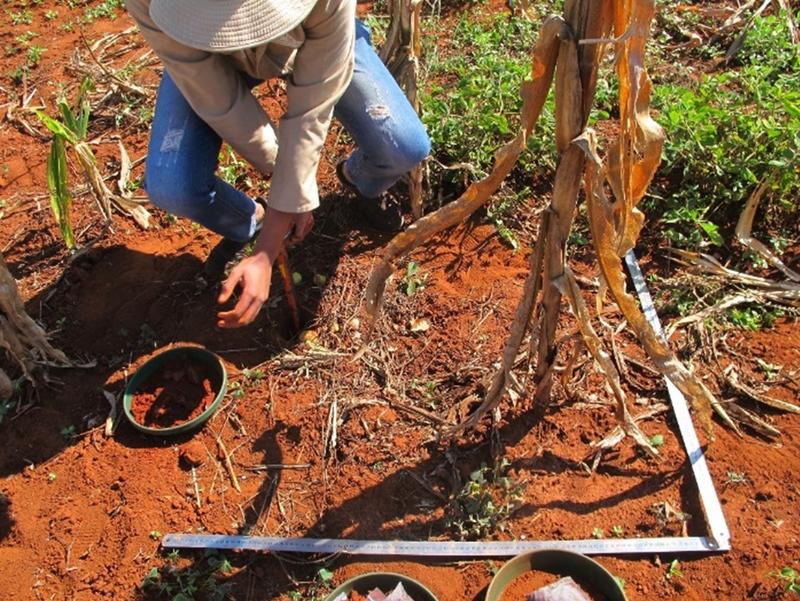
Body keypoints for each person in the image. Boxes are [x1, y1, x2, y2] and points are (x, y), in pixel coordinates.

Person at [126, 0, 430, 328]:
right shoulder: (152, 5)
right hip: (210, 62)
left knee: (403, 146)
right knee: (172, 187)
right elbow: (220, 102)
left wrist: (273, 236)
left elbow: (311, 110)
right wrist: (281, 195)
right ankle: (248, 220)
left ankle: (359, 179)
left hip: (315, 37)